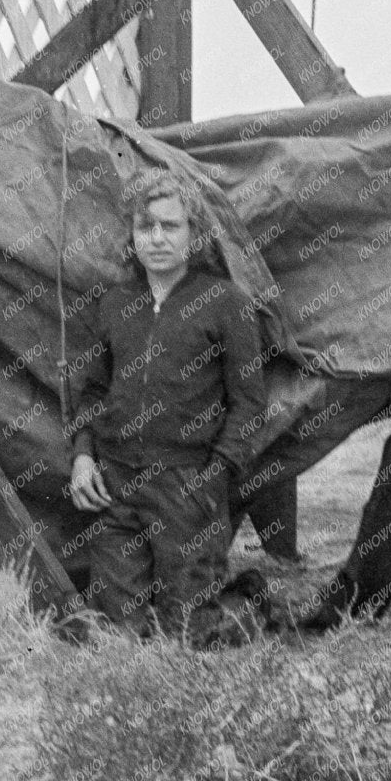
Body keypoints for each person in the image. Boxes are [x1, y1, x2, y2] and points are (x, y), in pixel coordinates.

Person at [66, 172, 268, 642]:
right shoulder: (115, 304)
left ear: (194, 235)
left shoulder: (226, 303)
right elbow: (93, 393)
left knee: (188, 638)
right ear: (132, 234)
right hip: (116, 486)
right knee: (119, 636)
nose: (156, 238)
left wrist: (211, 480)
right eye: (145, 226)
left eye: (170, 227)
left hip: (187, 485)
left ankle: (249, 601)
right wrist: (82, 458)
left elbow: (249, 405)